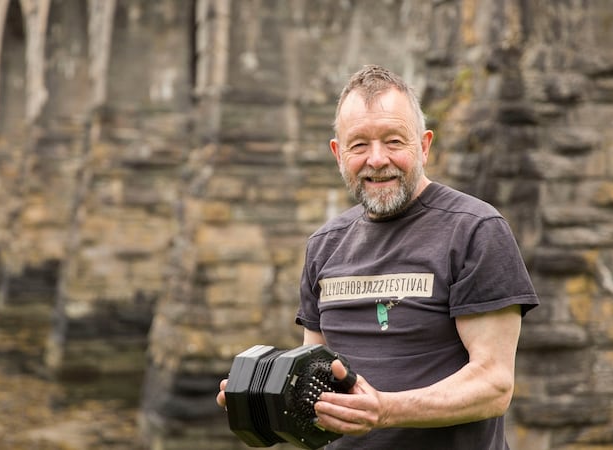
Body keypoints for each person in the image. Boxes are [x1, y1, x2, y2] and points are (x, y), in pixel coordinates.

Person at [216, 65, 539, 449]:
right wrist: (264, 407)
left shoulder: (475, 230)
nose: (377, 159)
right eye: (359, 145)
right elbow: (316, 379)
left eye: (394, 141)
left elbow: (493, 385)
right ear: (338, 154)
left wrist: (385, 410)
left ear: (424, 145)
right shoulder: (324, 244)